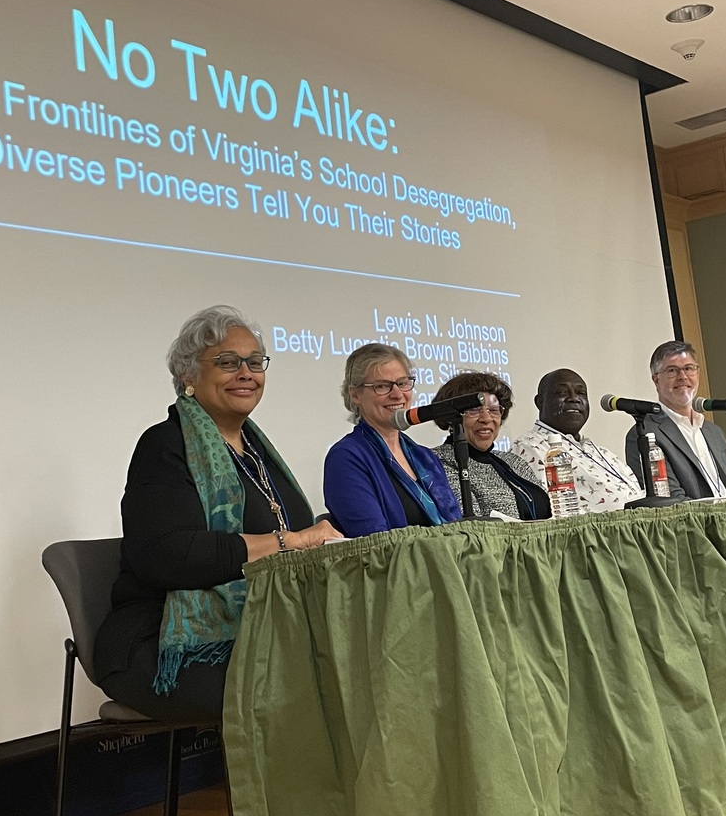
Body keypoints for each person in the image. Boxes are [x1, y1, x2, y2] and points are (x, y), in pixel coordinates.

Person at [93, 305, 341, 720]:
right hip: (163, 640)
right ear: (189, 376)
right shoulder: (163, 445)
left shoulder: (258, 454)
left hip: (261, 626)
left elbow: (296, 529)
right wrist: (288, 542)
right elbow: (168, 556)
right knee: (300, 691)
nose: (246, 373)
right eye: (227, 362)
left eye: (255, 362)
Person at [324, 343, 461, 536]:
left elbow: (457, 528)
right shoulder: (346, 458)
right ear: (355, 394)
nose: (397, 395)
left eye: (403, 383)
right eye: (382, 386)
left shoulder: (425, 457)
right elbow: (376, 542)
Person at [623, 340, 726, 500]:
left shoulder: (714, 432)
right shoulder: (644, 434)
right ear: (656, 380)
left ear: (697, 374)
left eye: (688, 368)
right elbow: (670, 501)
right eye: (672, 370)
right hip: (696, 523)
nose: (683, 377)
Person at [513, 368, 645, 511]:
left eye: (581, 393)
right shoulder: (528, 447)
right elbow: (545, 510)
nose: (574, 398)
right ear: (540, 402)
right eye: (562, 392)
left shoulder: (601, 451)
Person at [430, 371, 550, 520]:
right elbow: (472, 526)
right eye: (474, 410)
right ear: (451, 418)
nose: (486, 418)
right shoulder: (436, 462)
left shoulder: (514, 461)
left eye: (493, 410)